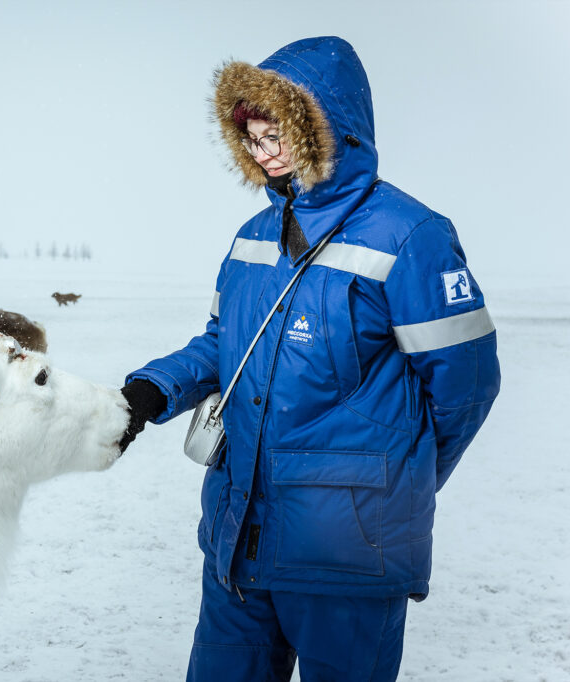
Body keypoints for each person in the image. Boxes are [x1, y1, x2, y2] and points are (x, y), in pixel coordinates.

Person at [119, 36, 500, 682]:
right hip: (240, 543)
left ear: (325, 126)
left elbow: (467, 385)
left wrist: (388, 483)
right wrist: (156, 387)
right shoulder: (252, 240)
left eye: (277, 133)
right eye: (253, 137)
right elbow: (221, 343)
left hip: (346, 560)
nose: (263, 151)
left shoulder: (410, 237)